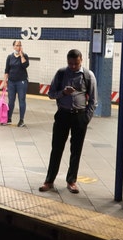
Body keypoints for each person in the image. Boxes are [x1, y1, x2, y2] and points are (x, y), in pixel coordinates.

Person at [39, 49, 98, 194]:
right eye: (70, 63)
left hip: (79, 116)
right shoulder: (61, 73)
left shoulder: (88, 76)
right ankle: (49, 180)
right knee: (56, 148)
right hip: (63, 115)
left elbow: (93, 100)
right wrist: (63, 93)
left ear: (81, 60)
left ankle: (71, 181)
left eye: (75, 63)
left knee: (76, 150)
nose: (72, 66)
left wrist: (86, 118)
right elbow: (51, 94)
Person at [3, 39, 29, 127]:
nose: (18, 47)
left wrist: (21, 56)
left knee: (21, 100)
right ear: (13, 46)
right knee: (11, 101)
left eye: (20, 45)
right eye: (17, 45)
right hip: (11, 82)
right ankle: (9, 118)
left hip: (21, 81)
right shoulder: (9, 57)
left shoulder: (25, 56)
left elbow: (25, 65)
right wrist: (5, 81)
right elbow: (6, 70)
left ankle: (21, 120)